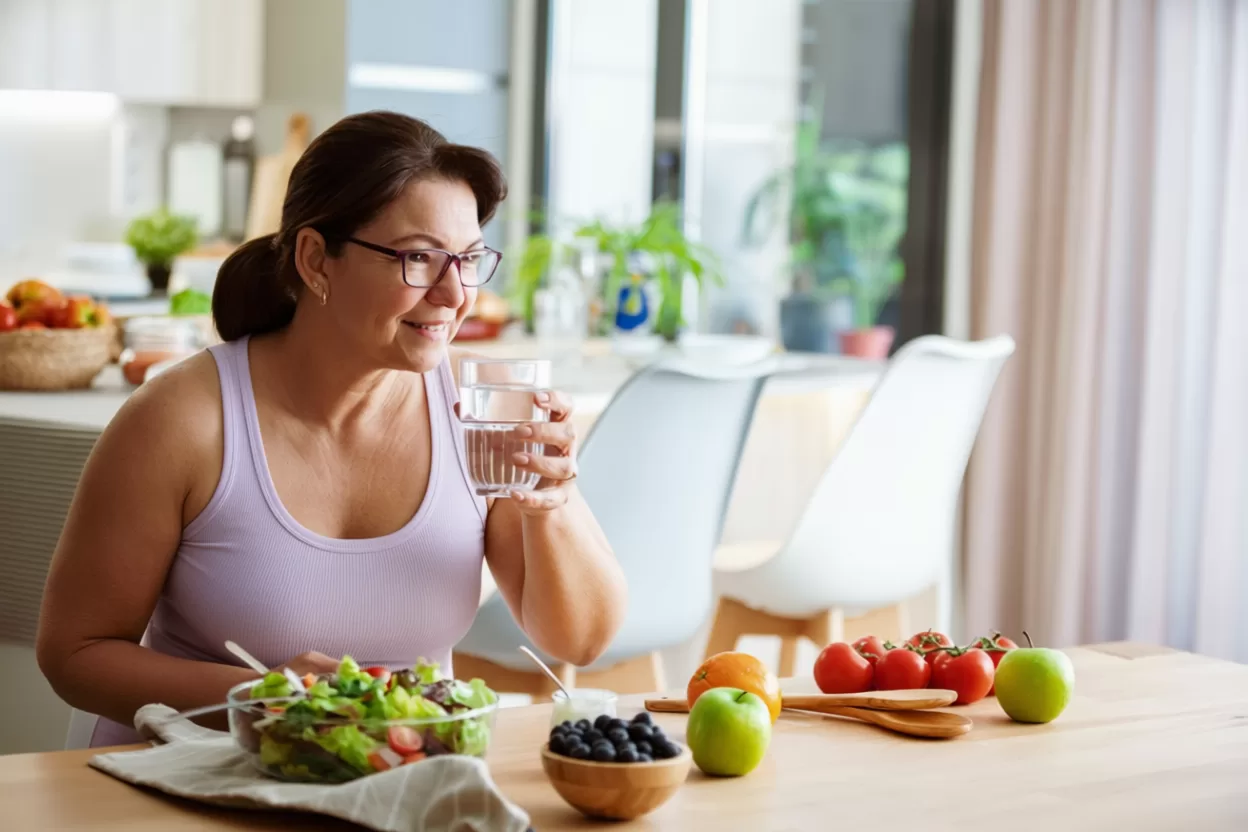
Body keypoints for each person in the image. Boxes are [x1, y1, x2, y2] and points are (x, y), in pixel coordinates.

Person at [36, 111, 627, 747]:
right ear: (317, 259)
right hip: (186, 782)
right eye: (420, 259)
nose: (457, 295)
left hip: (394, 787)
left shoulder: (484, 408)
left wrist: (552, 506)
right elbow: (75, 653)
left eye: (469, 259)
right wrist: (259, 698)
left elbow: (582, 640)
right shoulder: (181, 420)